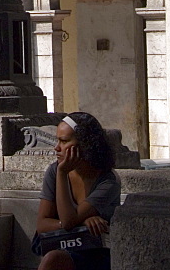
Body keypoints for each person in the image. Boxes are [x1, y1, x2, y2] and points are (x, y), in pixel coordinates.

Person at [34, 112, 121, 270]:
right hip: (65, 246)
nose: (57, 147)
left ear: (85, 144)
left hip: (98, 253)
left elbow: (68, 222)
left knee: (53, 260)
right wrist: (81, 221)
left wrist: (62, 173)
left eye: (64, 141)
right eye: (57, 140)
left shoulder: (108, 181)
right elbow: (42, 224)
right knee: (52, 259)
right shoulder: (54, 171)